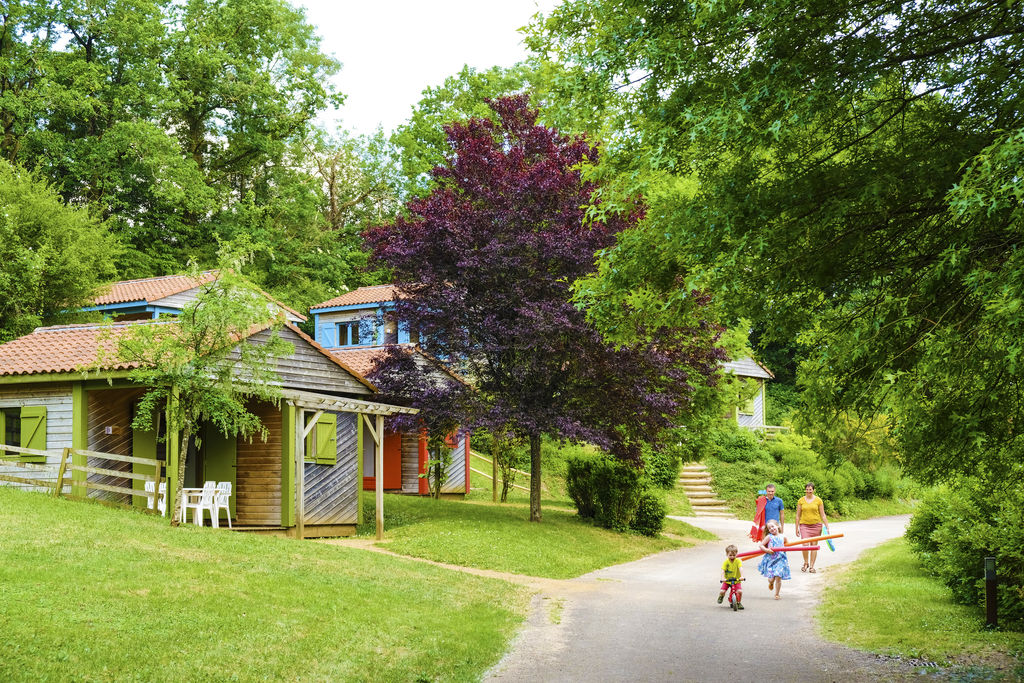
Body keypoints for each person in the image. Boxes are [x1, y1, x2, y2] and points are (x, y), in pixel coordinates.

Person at [794, 481, 829, 573]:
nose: (808, 491)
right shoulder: (801, 500)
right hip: (804, 525)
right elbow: (797, 515)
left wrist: (827, 527)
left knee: (814, 546)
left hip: (816, 525)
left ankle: (812, 566)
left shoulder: (818, 500)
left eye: (810, 489)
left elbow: (823, 515)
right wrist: (796, 528)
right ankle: (806, 563)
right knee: (805, 545)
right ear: (805, 490)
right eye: (807, 489)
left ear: (813, 490)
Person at [757, 520, 791, 599]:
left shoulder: (783, 536)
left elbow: (788, 546)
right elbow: (761, 545)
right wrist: (767, 550)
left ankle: (777, 594)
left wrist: (785, 549)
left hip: (780, 559)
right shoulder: (769, 537)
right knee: (771, 579)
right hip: (771, 560)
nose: (771, 529)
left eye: (773, 526)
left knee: (778, 576)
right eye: (769, 528)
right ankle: (771, 583)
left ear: (778, 526)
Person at [718, 544, 744, 609]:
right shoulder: (726, 562)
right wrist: (722, 578)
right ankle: (721, 596)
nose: (732, 557)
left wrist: (742, 576)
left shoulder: (738, 561)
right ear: (727, 555)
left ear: (736, 554)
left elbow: (741, 568)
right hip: (727, 580)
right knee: (722, 591)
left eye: (734, 555)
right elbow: (723, 570)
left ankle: (738, 603)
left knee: (740, 591)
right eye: (730, 555)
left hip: (736, 580)